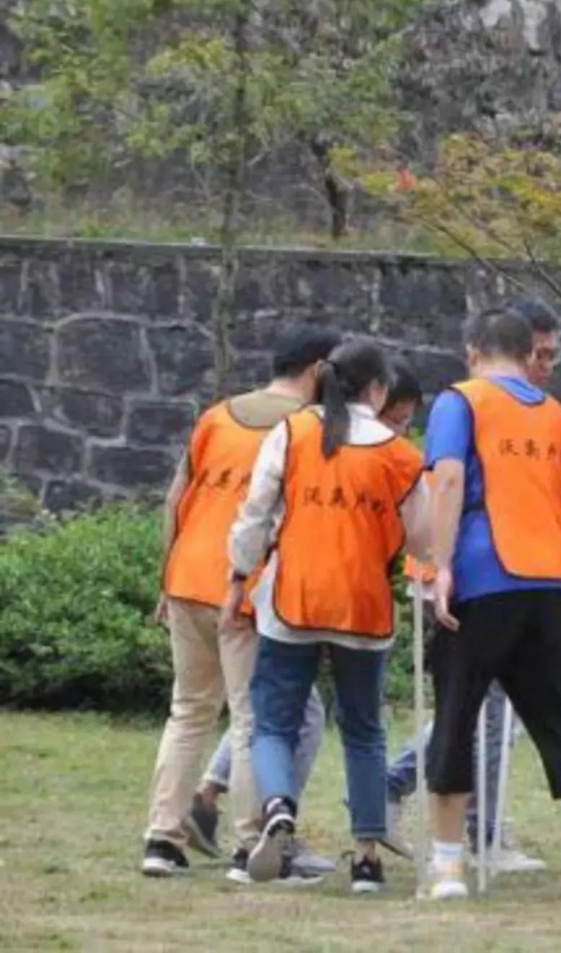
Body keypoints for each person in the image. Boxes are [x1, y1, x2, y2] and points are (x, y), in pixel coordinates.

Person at [421, 309, 561, 904]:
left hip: (483, 576)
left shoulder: (458, 402)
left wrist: (440, 567)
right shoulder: (558, 418)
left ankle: (447, 867)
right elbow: (545, 501)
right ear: (527, 354)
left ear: (473, 351)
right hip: (555, 582)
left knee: (458, 714)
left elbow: (446, 481)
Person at [186, 360, 426, 875]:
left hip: (291, 600)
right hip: (363, 606)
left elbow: (254, 514)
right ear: (379, 389)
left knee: (273, 722)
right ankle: (365, 860)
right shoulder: (399, 454)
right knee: (363, 731)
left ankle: (277, 808)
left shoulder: (290, 433)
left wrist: (237, 580)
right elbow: (423, 535)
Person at [140, 324, 340, 880]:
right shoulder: (304, 428)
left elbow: (176, 497)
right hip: (244, 591)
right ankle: (253, 845)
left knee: (189, 711)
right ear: (318, 370)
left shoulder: (216, 416)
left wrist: (165, 577)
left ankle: (163, 839)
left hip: (185, 579)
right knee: (255, 720)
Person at [382, 301, 555, 874]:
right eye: (538, 354)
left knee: (485, 711)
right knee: (484, 712)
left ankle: (409, 783)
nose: (543, 366)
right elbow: (447, 485)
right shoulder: (468, 406)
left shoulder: (538, 414)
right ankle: (478, 833)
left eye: (551, 356)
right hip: (467, 578)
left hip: (505, 576)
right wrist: (443, 566)